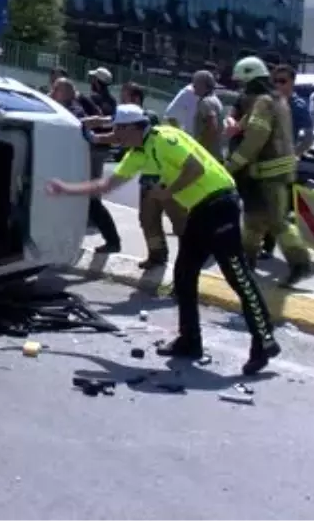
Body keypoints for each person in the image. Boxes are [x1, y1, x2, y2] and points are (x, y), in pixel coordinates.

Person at [47, 105, 280, 375]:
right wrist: (67, 189)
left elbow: (195, 168)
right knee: (183, 275)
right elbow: (105, 186)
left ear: (134, 127)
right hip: (200, 210)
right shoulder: (138, 153)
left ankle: (264, 341)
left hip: (220, 203)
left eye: (119, 131)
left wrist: (168, 193)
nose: (115, 136)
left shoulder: (164, 137)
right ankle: (190, 340)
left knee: (238, 276)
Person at [227, 57, 311, 286]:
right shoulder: (277, 100)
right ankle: (247, 263)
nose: (242, 89)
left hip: (268, 173)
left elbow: (255, 139)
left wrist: (231, 165)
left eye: (244, 83)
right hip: (274, 172)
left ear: (251, 80)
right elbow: (251, 122)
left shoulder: (263, 102)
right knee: (253, 220)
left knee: (277, 222)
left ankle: (300, 264)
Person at [118, 82, 184, 267]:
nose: (121, 102)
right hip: (147, 180)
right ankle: (157, 255)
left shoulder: (148, 117)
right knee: (148, 220)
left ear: (136, 99)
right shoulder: (126, 122)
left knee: (180, 222)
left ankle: (189, 257)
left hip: (165, 179)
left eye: (125, 98)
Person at [50, 78, 120, 253]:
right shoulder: (63, 107)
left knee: (91, 202)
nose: (52, 92)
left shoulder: (74, 109)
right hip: (72, 162)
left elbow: (85, 121)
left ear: (64, 92)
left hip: (81, 161)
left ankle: (113, 241)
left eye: (55, 89)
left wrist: (104, 120)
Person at [259, 64, 314, 259]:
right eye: (275, 81)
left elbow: (308, 137)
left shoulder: (297, 106)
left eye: (283, 81)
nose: (278, 85)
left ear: (292, 82)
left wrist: (293, 154)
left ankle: (270, 247)